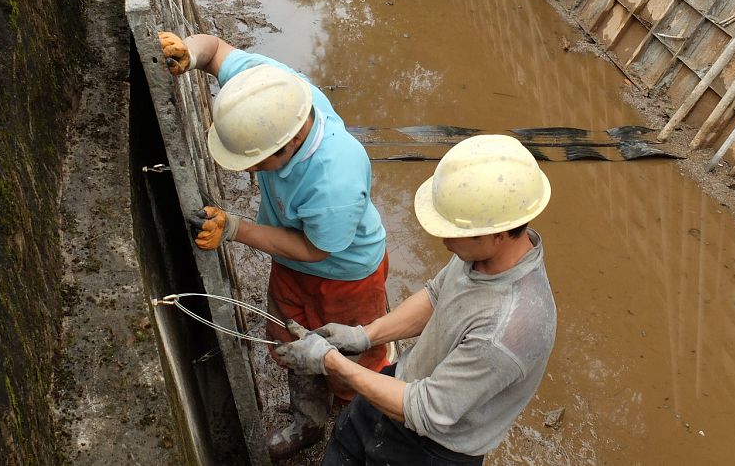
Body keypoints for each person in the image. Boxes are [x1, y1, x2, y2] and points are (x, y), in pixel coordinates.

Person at [157, 31, 390, 460]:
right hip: (293, 264)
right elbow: (215, 51)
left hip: (345, 275)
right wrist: (189, 53)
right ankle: (308, 421)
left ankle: (350, 412)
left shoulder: (334, 177)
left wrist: (236, 229)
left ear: (288, 145)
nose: (251, 169)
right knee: (291, 340)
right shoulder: (270, 92)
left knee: (345, 356)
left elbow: (317, 250)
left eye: (255, 161)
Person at [275, 134, 556, 465]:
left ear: (496, 233)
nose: (442, 238)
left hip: (433, 446)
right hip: (401, 384)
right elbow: (437, 296)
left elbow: (427, 409)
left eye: (452, 230)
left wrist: (331, 362)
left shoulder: (510, 328)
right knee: (344, 447)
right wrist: (364, 335)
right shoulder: (482, 254)